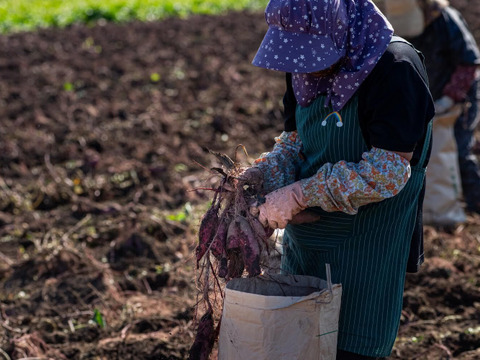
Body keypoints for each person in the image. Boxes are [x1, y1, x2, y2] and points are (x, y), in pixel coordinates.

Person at [241, 0, 435, 359]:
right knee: (297, 341)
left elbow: (388, 170)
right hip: (308, 239)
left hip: (367, 243)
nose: (308, 72)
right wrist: (266, 172)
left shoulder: (394, 68)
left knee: (348, 347)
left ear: (340, 30)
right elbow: (296, 141)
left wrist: (300, 194)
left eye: (314, 59)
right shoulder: (302, 67)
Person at [385, 0, 480, 214]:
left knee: (459, 149)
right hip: (428, 98)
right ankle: (435, 208)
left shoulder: (447, 20)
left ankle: (475, 206)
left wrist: (450, 97)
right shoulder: (399, 27)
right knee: (426, 153)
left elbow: (469, 63)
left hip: (459, 97)